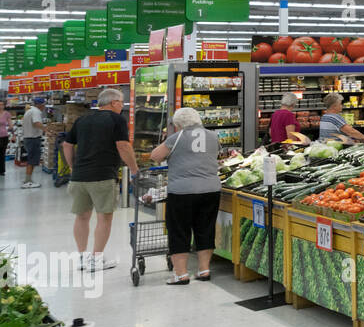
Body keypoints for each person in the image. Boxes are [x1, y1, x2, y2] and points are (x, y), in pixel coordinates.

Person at [62, 89, 138, 272]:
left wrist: (73, 167)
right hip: (103, 176)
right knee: (104, 218)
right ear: (113, 103)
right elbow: (123, 146)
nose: (122, 106)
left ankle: (82, 258)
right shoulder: (116, 119)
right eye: (121, 102)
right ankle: (96, 260)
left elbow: (66, 144)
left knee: (82, 217)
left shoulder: (83, 119)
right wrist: (135, 170)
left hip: (79, 177)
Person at [150, 106, 221, 285]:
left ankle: (181, 274)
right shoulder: (213, 136)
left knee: (179, 231)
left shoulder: (177, 137)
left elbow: (155, 156)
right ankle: (204, 270)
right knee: (205, 228)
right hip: (211, 189)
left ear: (179, 124)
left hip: (182, 191)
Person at [20, 96, 46, 188]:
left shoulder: (29, 111)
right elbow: (36, 123)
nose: (44, 107)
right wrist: (46, 129)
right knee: (32, 160)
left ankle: (28, 180)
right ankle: (27, 182)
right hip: (33, 139)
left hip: (28, 138)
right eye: (43, 105)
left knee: (31, 160)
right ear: (40, 105)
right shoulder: (36, 112)